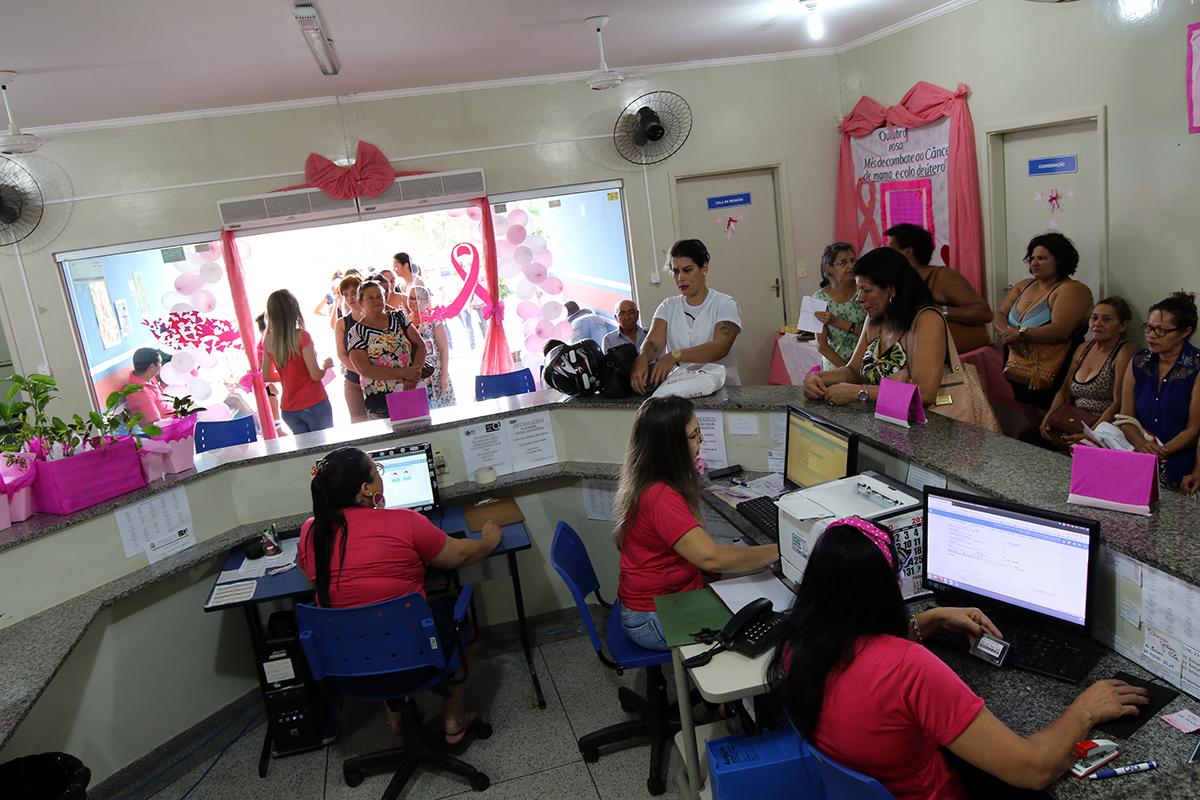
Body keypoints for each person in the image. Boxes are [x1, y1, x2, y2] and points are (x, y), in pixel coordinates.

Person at [767, 518, 1149, 800]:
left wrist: (930, 619)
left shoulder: (798, 642)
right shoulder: (910, 667)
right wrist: (1085, 709)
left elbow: (866, 651)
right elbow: (1032, 768)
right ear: (886, 591)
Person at [297, 447, 502, 743]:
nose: (381, 477)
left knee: (364, 620)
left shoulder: (311, 531)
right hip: (414, 663)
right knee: (459, 613)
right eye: (376, 471)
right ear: (366, 489)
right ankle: (453, 718)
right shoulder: (404, 521)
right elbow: (459, 556)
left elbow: (311, 575)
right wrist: (488, 541)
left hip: (349, 669)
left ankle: (396, 722)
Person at [615, 397, 779, 650]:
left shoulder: (651, 478)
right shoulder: (660, 496)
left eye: (699, 433)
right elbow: (710, 558)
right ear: (671, 447)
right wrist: (782, 551)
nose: (700, 442)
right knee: (759, 632)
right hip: (651, 617)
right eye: (693, 436)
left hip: (667, 598)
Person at [803, 247, 945, 407]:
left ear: (891, 289)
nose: (859, 299)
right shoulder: (874, 319)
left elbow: (925, 393)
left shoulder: (926, 320)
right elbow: (853, 372)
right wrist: (818, 378)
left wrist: (858, 392)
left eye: (866, 290)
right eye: (859, 290)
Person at [993, 233, 1094, 409]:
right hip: (1016, 363)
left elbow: (1060, 330)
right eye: (1032, 258)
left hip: (1052, 369)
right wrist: (1006, 333)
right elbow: (999, 314)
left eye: (1042, 258)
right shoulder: (1024, 285)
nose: (1034, 263)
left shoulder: (1073, 289)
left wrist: (1020, 334)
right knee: (1026, 409)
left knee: (1047, 415)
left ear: (1060, 260)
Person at [632, 239, 742, 393]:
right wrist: (642, 358)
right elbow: (653, 344)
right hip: (681, 393)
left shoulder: (725, 304)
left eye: (687, 270)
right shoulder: (668, 306)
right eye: (675, 271)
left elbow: (720, 347)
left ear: (704, 268)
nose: (680, 278)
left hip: (724, 393)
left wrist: (675, 355)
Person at [1117, 292, 1200, 489]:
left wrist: (1160, 452)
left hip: (1180, 459)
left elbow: (1193, 429)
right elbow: (1125, 417)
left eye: (1161, 331)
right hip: (1138, 453)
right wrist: (1141, 444)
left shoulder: (1195, 367)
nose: (1151, 335)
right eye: (1149, 328)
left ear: (1184, 332)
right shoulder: (1139, 361)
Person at [1038, 297, 1134, 448]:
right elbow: (1064, 392)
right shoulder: (1083, 348)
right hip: (1072, 420)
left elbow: (1118, 402)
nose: (1097, 324)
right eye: (1094, 318)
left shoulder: (1124, 351)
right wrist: (1048, 418)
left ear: (1122, 326)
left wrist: (1091, 435)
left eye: (1106, 319)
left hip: (1103, 427)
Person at [886, 223, 992, 354]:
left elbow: (984, 313)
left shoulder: (942, 277)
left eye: (890, 249)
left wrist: (941, 310)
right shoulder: (893, 283)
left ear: (908, 252)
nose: (885, 255)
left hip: (957, 362)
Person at [347, 280, 427, 419]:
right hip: (380, 399)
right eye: (370, 297)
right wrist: (403, 373)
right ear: (361, 302)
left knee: (419, 431)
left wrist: (413, 374)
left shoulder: (399, 317)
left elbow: (420, 345)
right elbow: (364, 369)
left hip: (409, 388)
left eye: (379, 296)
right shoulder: (356, 332)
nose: (376, 300)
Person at [260, 289, 335, 434]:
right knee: (327, 450)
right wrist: (325, 366)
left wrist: (287, 377)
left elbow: (267, 376)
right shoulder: (302, 336)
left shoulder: (268, 340)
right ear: (294, 310)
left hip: (289, 409)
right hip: (314, 402)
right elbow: (315, 375)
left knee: (306, 453)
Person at [811, 242, 867, 370]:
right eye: (843, 263)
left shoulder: (864, 290)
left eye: (853, 260)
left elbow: (873, 333)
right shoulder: (818, 299)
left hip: (866, 365)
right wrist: (848, 371)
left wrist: (836, 321)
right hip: (836, 367)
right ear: (829, 268)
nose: (850, 266)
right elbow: (822, 346)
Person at [409, 286, 457, 409]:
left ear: (426, 301)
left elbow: (444, 349)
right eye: (411, 298)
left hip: (436, 374)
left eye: (418, 298)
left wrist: (444, 375)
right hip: (417, 375)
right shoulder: (405, 321)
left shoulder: (434, 320)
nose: (413, 302)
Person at [333, 276, 369, 424]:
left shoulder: (376, 316)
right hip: (353, 380)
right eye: (345, 294)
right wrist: (362, 372)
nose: (350, 297)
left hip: (381, 378)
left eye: (353, 292)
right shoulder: (342, 323)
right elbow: (341, 354)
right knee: (359, 423)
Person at [125, 347, 175, 423]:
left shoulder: (148, 378)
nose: (161, 366)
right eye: (160, 363)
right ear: (152, 366)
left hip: (172, 414)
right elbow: (156, 425)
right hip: (169, 426)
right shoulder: (140, 393)